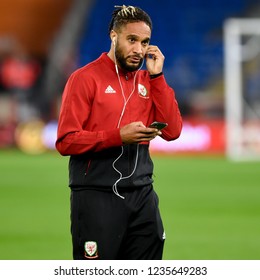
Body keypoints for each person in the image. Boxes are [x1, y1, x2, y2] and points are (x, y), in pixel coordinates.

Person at [56, 5, 182, 260]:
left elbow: (173, 131)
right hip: (96, 196)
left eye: (144, 42)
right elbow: (65, 141)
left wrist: (158, 77)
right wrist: (118, 136)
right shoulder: (84, 78)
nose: (139, 49)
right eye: (132, 40)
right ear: (114, 36)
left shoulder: (148, 81)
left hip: (142, 194)